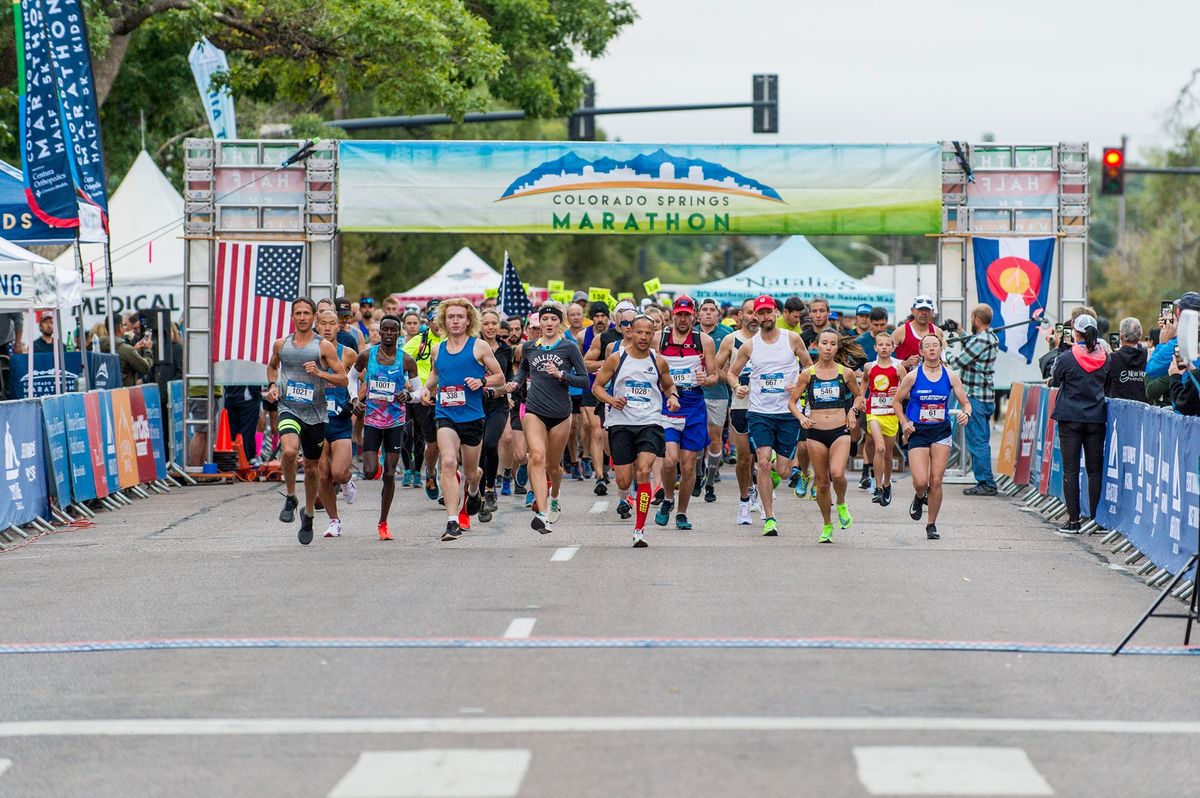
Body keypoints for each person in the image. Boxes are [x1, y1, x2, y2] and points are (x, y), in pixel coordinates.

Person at [726, 294, 814, 536]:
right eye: (760, 313)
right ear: (756, 315)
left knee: (783, 471)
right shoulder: (750, 345)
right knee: (762, 462)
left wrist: (797, 383)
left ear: (775, 313)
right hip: (759, 412)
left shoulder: (792, 339)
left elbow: (809, 367)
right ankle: (770, 518)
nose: (765, 317)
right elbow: (731, 373)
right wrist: (737, 386)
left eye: (768, 312)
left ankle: (779, 467)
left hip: (786, 412)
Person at [265, 298, 349, 545]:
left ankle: (309, 513)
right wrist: (272, 385)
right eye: (297, 313)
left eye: (306, 313)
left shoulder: (323, 347)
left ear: (314, 316)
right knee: (290, 451)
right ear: (292, 316)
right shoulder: (281, 344)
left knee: (312, 467)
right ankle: (291, 496)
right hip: (288, 407)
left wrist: (320, 373)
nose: (302, 317)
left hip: (316, 413)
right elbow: (272, 368)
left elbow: (343, 378)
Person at [593, 314, 680, 547]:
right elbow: (597, 387)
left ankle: (639, 529)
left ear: (654, 335)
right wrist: (611, 400)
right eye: (639, 332)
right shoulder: (616, 358)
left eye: (648, 333)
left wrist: (672, 396)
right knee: (623, 480)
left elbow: (668, 384)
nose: (643, 337)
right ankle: (624, 496)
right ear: (630, 331)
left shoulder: (658, 360)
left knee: (644, 471)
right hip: (621, 423)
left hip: (649, 422)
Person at [422, 298, 504, 541]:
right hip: (445, 414)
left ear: (468, 320)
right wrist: (427, 389)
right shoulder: (438, 349)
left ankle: (475, 490)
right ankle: (452, 520)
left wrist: (482, 381)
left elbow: (499, 376)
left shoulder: (479, 347)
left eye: (459, 317)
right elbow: (436, 374)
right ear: (443, 321)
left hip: (473, 416)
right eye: (450, 317)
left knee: (471, 472)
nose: (455, 321)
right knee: (447, 462)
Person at [509, 301, 590, 533]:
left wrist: (562, 375)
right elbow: (524, 369)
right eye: (545, 319)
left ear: (560, 323)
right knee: (536, 457)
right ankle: (542, 514)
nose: (548, 323)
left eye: (553, 319)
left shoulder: (569, 347)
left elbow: (584, 380)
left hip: (560, 413)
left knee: (554, 466)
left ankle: (554, 496)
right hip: (534, 409)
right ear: (539, 322)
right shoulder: (529, 347)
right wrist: (515, 382)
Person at [789, 330, 865, 542]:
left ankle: (840, 502)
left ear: (837, 347)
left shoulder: (845, 373)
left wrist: (852, 411)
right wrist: (801, 418)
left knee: (838, 474)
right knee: (822, 483)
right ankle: (827, 524)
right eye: (824, 343)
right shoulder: (808, 374)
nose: (828, 347)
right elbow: (791, 402)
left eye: (833, 344)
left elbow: (859, 397)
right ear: (816, 345)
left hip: (840, 430)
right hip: (815, 432)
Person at [895, 334, 972, 541]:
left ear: (940, 350)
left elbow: (965, 402)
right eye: (927, 346)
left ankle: (931, 524)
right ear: (921, 351)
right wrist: (904, 423)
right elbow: (896, 402)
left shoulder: (950, 375)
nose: (931, 349)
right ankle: (920, 496)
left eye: (935, 346)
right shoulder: (912, 377)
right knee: (921, 481)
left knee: (936, 480)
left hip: (940, 430)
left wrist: (966, 413)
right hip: (918, 430)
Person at [655, 295, 719, 530]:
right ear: (673, 315)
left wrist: (706, 379)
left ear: (694, 316)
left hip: (693, 405)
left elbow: (714, 375)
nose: (683, 319)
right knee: (670, 460)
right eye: (679, 314)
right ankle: (668, 499)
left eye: (687, 315)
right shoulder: (659, 338)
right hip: (668, 402)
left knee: (689, 466)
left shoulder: (704, 341)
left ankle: (681, 512)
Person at [352, 315, 418, 540]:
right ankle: (376, 465)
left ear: (399, 333)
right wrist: (354, 400)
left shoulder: (407, 360)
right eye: (385, 330)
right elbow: (351, 378)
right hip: (371, 420)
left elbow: (419, 393)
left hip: (395, 422)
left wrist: (408, 395)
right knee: (370, 472)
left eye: (393, 330)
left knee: (390, 474)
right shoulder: (366, 356)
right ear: (379, 332)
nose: (389, 333)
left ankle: (383, 522)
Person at [1050, 314, 1110, 532]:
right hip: (1095, 418)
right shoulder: (1105, 356)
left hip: (1070, 418)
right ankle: (1095, 520)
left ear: (1075, 333)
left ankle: (1073, 520)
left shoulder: (1067, 357)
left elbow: (1055, 378)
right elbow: (1107, 382)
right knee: (1095, 471)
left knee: (1071, 470)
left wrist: (1060, 349)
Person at [315, 308, 360, 538]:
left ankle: (347, 482)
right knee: (323, 474)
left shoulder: (348, 353)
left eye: (332, 323)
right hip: (316, 419)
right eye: (323, 323)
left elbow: (364, 379)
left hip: (340, 419)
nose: (327, 327)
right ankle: (334, 521)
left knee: (339, 472)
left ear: (338, 326)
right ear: (317, 324)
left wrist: (354, 402)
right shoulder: (310, 352)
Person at [948, 304, 999, 497]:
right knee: (981, 440)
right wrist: (960, 331)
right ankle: (985, 480)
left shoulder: (983, 339)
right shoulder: (990, 336)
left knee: (977, 441)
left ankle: (986, 482)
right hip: (984, 396)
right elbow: (972, 346)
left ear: (976, 319)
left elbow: (958, 362)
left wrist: (944, 349)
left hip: (976, 397)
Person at [716, 298, 760, 525]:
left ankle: (761, 494)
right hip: (741, 404)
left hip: (767, 406)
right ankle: (745, 500)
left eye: (758, 313)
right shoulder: (731, 340)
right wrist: (734, 384)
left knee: (764, 459)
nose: (754, 317)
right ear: (740, 315)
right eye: (749, 312)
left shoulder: (772, 340)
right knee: (744, 458)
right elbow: (716, 367)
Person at [478, 309, 514, 523]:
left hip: (498, 405)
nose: (491, 327)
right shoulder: (473, 347)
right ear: (480, 325)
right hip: (475, 406)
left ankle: (490, 488)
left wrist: (505, 390)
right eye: (487, 323)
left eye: (494, 323)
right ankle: (480, 496)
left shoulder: (506, 350)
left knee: (491, 444)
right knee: (479, 452)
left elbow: (507, 378)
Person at [404, 309, 443, 500]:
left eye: (439, 320)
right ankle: (430, 472)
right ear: (427, 323)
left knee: (451, 443)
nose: (437, 324)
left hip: (452, 396)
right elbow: (398, 361)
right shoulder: (419, 341)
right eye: (432, 321)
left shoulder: (456, 340)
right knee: (434, 444)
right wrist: (406, 381)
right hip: (425, 398)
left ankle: (448, 482)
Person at [863, 331, 905, 507]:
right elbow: (865, 381)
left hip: (891, 414)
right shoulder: (869, 367)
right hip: (873, 412)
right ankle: (878, 488)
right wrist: (860, 397)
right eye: (880, 345)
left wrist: (900, 391)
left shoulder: (899, 368)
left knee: (888, 454)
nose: (884, 348)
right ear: (875, 347)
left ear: (893, 347)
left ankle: (887, 483)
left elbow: (908, 386)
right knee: (879, 448)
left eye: (887, 345)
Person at [581, 301, 619, 494]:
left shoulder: (628, 336)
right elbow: (584, 363)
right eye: (596, 316)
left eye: (603, 315)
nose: (600, 319)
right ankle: (599, 477)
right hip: (591, 389)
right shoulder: (590, 336)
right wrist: (609, 363)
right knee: (596, 431)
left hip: (615, 392)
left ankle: (609, 463)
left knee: (609, 435)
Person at [697, 297, 731, 502]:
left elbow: (731, 370)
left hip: (718, 393)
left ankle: (709, 481)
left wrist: (716, 373)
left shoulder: (727, 336)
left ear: (719, 314)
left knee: (714, 438)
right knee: (697, 438)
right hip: (693, 394)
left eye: (712, 310)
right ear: (698, 314)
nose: (708, 313)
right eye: (705, 309)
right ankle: (698, 474)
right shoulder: (690, 335)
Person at [892, 295, 944, 370]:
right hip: (906, 379)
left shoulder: (938, 332)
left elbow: (943, 358)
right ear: (912, 310)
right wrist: (903, 363)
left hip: (931, 379)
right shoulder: (901, 331)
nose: (924, 313)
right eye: (920, 309)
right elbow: (883, 357)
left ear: (932, 312)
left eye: (927, 310)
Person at [1105, 317, 1149, 403]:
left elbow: (1105, 385)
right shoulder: (1148, 355)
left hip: (1119, 411)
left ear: (1121, 336)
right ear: (1140, 335)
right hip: (1143, 411)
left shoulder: (1113, 358)